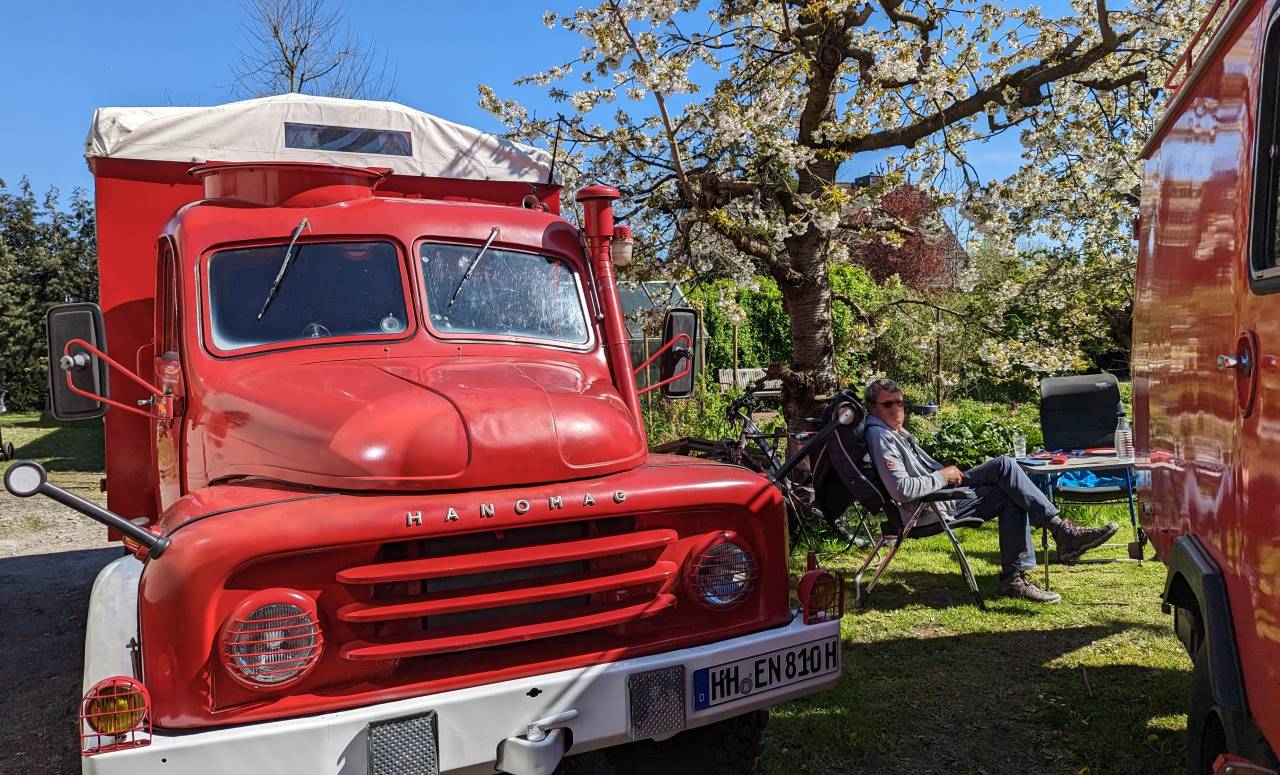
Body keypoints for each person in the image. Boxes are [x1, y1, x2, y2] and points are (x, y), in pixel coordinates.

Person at [862, 378, 1118, 604]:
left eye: (901, 403)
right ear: (874, 407)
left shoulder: (894, 432)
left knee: (1007, 472)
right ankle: (1054, 542)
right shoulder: (881, 437)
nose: (897, 409)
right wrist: (942, 476)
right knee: (1008, 478)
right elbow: (902, 490)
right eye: (889, 404)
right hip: (928, 508)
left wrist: (947, 475)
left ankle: (1049, 544)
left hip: (940, 497)